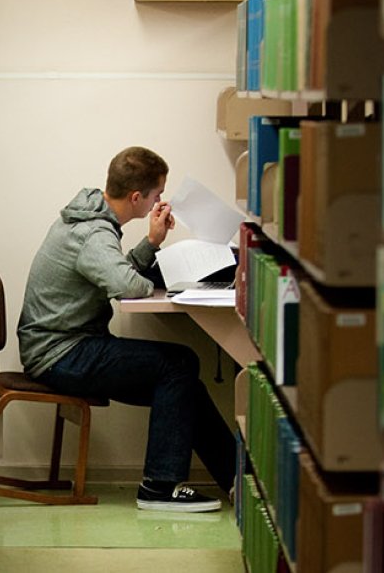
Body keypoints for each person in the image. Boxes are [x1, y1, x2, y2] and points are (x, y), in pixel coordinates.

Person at [16, 146, 238, 513]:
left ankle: (235, 480)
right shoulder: (94, 233)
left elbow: (115, 269)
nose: (160, 201)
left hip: (64, 346)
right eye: (157, 195)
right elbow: (127, 285)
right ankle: (159, 488)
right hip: (61, 354)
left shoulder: (90, 218)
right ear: (137, 198)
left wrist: (151, 243)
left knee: (183, 382)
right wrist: (150, 259)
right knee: (178, 364)